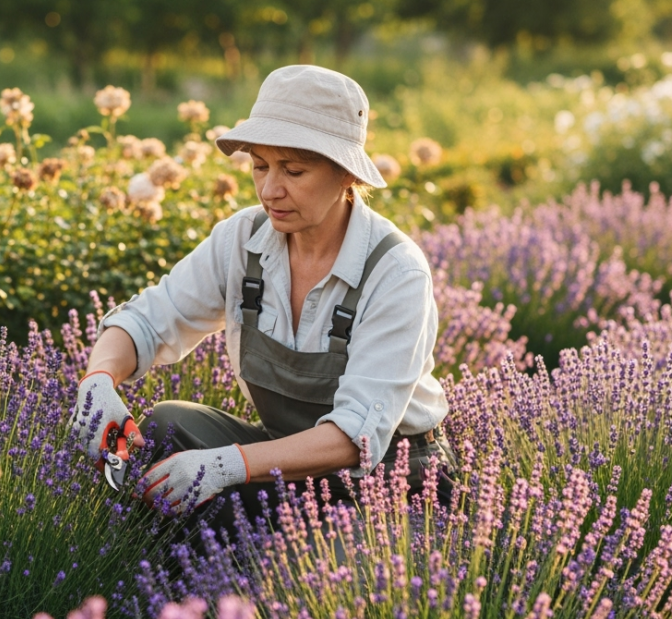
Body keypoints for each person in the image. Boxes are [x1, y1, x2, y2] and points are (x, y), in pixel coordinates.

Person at [71, 65, 455, 534]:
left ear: (345, 174)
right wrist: (98, 379)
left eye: (293, 170)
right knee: (168, 425)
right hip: (284, 461)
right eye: (260, 166)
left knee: (323, 570)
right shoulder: (242, 238)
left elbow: (355, 438)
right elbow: (148, 320)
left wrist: (224, 466)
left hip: (391, 483)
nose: (270, 189)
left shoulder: (395, 272)